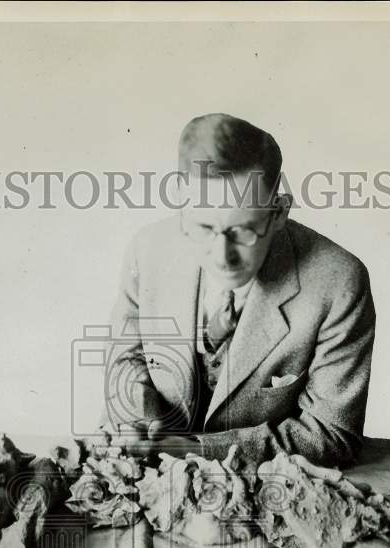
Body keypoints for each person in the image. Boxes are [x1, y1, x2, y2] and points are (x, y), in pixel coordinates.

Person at [101, 113, 375, 468]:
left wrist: (195, 451)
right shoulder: (147, 248)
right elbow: (125, 361)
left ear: (278, 213)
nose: (222, 256)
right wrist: (141, 421)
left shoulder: (339, 282)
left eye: (243, 231)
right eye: (202, 226)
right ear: (181, 204)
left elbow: (330, 433)